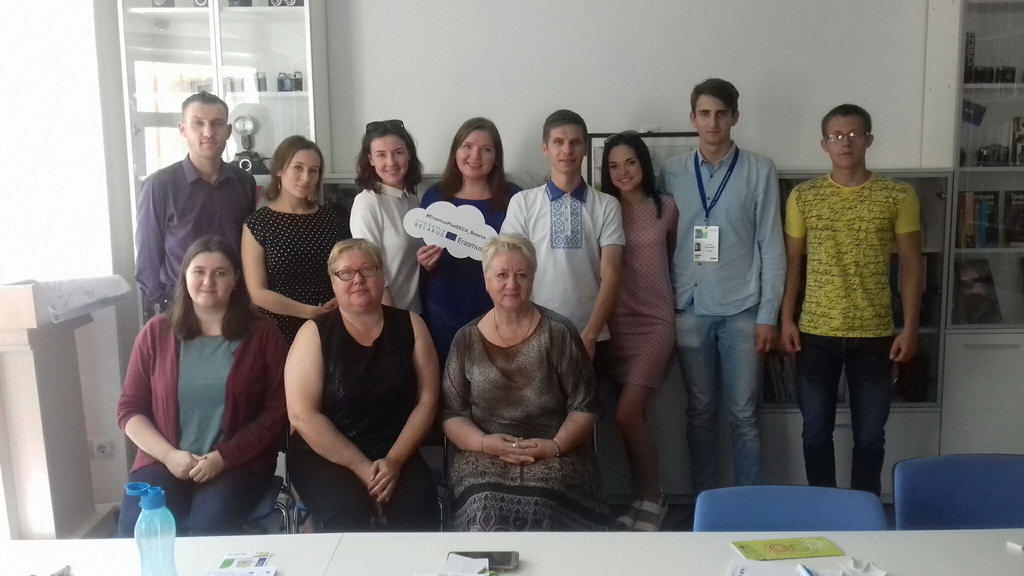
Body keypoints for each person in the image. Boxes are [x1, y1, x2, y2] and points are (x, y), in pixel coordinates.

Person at [780, 104, 922, 496]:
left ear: (869, 140)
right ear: (824, 144)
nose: (846, 142)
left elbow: (912, 265)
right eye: (837, 136)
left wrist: (910, 328)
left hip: (875, 335)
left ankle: (864, 511)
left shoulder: (898, 195)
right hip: (814, 334)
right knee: (814, 433)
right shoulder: (804, 196)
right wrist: (786, 319)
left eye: (854, 134)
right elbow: (792, 263)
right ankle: (823, 509)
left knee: (871, 437)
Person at [659, 78, 785, 496]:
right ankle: (706, 502)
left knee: (744, 415)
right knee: (699, 412)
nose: (713, 123)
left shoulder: (760, 170)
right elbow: (661, 241)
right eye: (705, 114)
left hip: (742, 309)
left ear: (735, 118)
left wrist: (768, 316)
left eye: (721, 114)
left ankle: (748, 505)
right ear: (692, 118)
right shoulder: (673, 171)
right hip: (690, 307)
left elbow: (771, 245)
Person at [116, 236, 288, 536]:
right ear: (185, 276)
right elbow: (130, 409)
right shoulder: (155, 332)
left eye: (220, 273)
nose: (208, 281)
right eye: (199, 271)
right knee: (135, 526)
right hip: (165, 459)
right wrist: (169, 456)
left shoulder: (263, 334)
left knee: (210, 527)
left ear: (236, 279)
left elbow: (278, 411)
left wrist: (224, 457)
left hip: (238, 463)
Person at [441, 234, 608, 531]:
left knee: (544, 497)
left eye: (521, 275)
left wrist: (553, 446)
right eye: (502, 275)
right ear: (486, 281)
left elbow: (584, 407)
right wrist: (484, 444)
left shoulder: (559, 332)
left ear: (532, 279)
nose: (512, 284)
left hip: (556, 450)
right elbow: (452, 414)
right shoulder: (465, 339)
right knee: (484, 501)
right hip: (482, 450)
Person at [285, 238, 440, 531]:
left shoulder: (412, 325)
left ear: (382, 276)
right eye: (346, 273)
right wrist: (361, 468)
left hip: (396, 450)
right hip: (324, 453)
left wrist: (394, 461)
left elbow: (428, 400)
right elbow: (302, 415)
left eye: (367, 269)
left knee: (418, 515)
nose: (358, 279)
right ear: (333, 282)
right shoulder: (313, 333)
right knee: (349, 516)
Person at [600, 132, 678, 531]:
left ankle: (653, 497)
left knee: (628, 414)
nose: (623, 172)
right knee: (627, 421)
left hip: (655, 323)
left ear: (643, 164)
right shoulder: (603, 209)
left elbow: (677, 259)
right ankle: (639, 497)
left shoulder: (667, 207)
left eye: (630, 162)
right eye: (614, 165)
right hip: (614, 324)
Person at [500, 109, 624, 361]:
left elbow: (611, 275)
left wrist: (590, 336)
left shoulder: (607, 205)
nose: (567, 150)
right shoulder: (523, 202)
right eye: (558, 142)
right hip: (532, 334)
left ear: (585, 148)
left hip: (590, 335)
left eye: (575, 142)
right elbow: (508, 271)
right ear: (545, 148)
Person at [135, 91, 257, 313]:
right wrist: (164, 304)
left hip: (233, 305)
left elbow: (249, 249)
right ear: (183, 130)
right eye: (198, 123)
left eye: (217, 124)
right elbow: (147, 257)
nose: (208, 132)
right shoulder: (159, 185)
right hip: (179, 307)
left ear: (229, 131)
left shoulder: (244, 182)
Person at [417, 117, 522, 365]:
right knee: (447, 377)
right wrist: (426, 263)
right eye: (467, 146)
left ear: (496, 157)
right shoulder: (434, 196)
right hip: (443, 309)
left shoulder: (514, 197)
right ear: (455, 151)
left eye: (486, 149)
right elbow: (423, 255)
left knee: (494, 380)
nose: (475, 156)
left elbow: (524, 257)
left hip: (497, 309)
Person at [242, 135, 350, 343]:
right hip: (278, 330)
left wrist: (338, 300)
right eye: (298, 168)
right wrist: (309, 312)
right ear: (279, 170)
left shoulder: (331, 218)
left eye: (313, 170)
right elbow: (257, 292)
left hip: (331, 322)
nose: (306, 177)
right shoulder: (258, 224)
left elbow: (347, 270)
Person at [350, 120, 425, 313]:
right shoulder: (367, 202)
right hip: (385, 313)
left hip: (415, 311)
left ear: (409, 154)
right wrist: (392, 318)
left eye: (398, 152)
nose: (391, 162)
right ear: (371, 159)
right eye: (381, 155)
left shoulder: (413, 202)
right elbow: (368, 266)